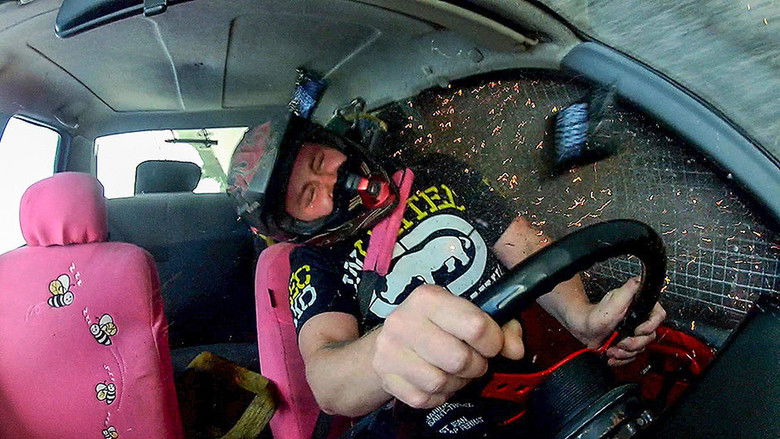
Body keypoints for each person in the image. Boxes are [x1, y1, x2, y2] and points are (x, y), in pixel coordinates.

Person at [228, 115, 666, 437]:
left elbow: (524, 246)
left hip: (534, 364)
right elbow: (327, 380)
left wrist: (581, 316)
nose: (333, 181)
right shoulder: (314, 260)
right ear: (297, 225)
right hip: (440, 398)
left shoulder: (434, 172)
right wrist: (381, 352)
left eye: (320, 160)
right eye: (309, 195)